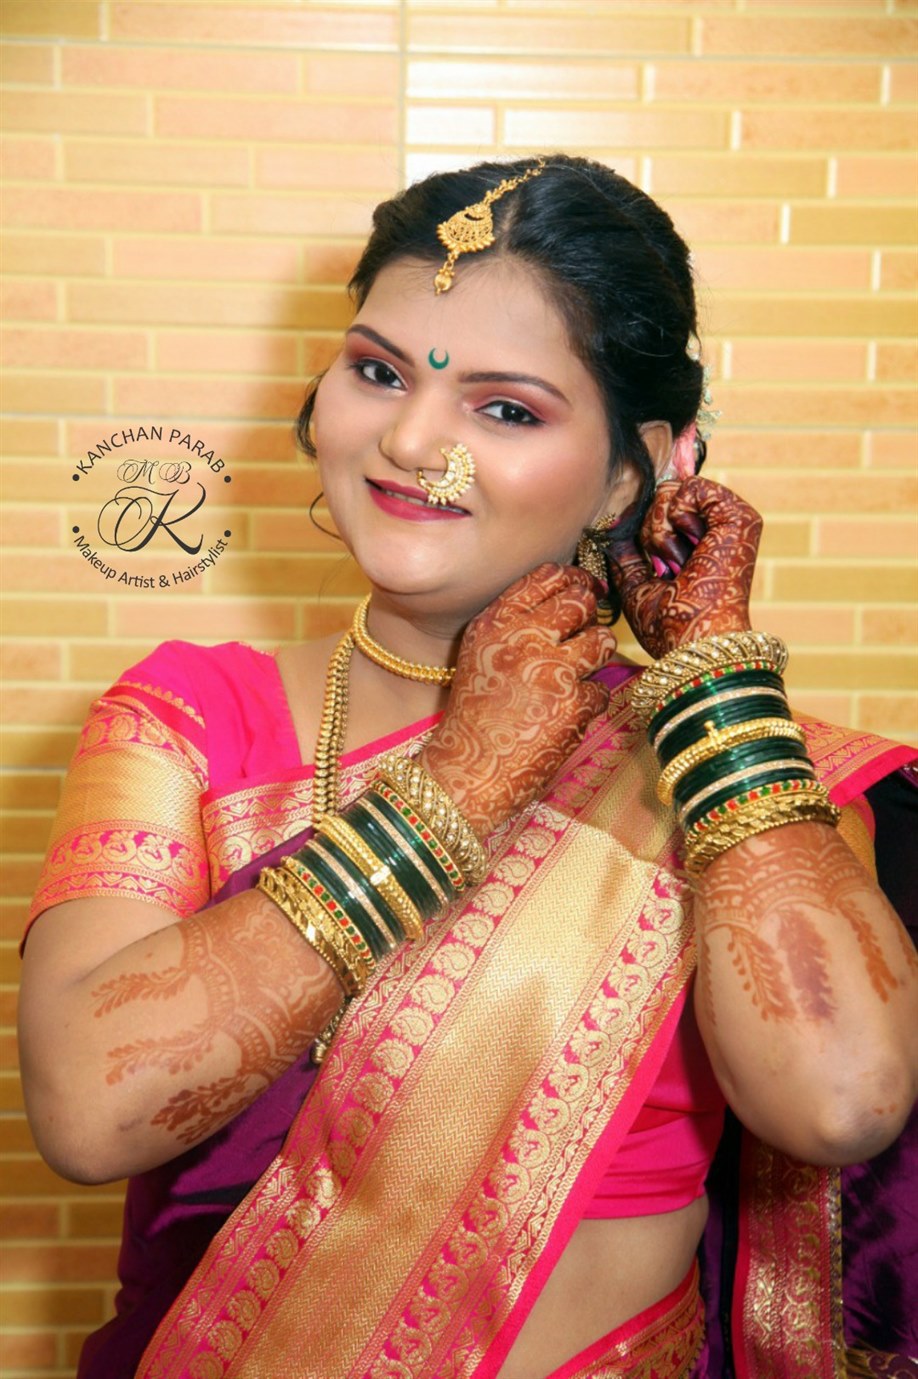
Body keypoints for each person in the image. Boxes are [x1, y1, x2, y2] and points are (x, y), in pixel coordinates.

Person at [18, 154, 917, 1379]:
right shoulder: (187, 715)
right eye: (380, 371)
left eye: (507, 409)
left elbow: (842, 1098)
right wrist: (454, 787)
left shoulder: (734, 772)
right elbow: (88, 1110)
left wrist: (716, 685)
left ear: (636, 469)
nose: (409, 439)